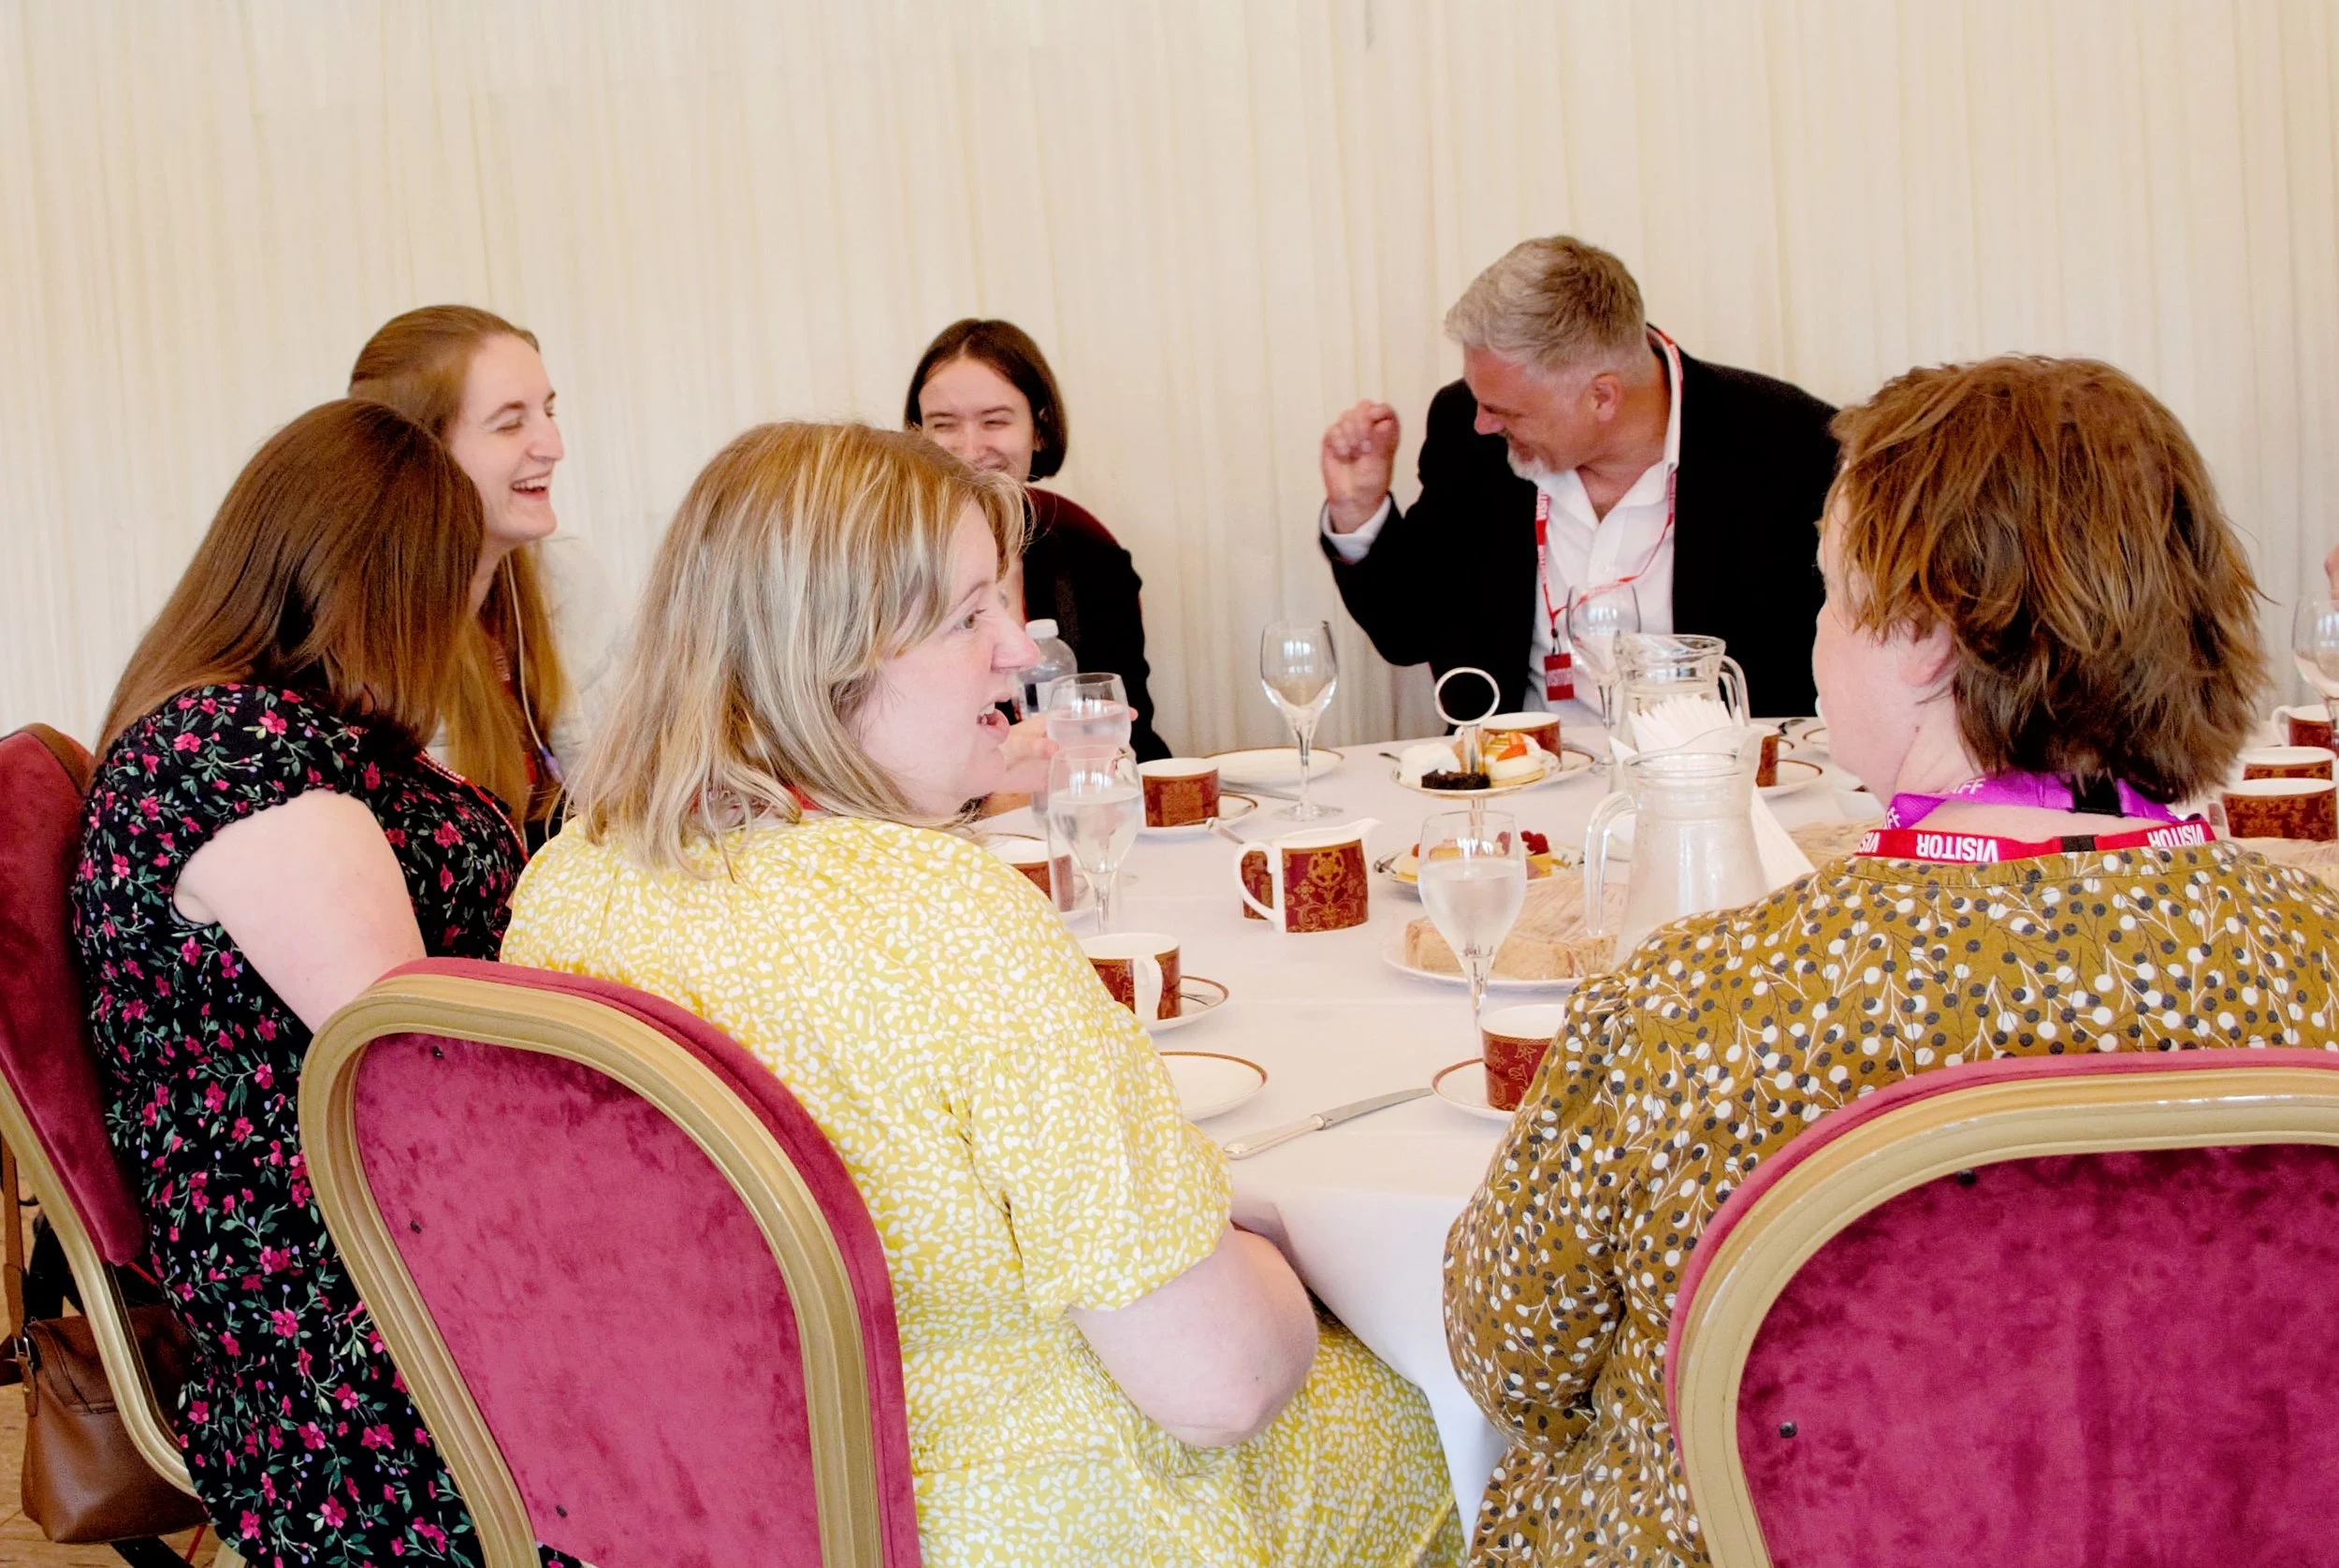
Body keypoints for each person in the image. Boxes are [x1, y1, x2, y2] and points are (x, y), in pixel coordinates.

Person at [503, 421, 1459, 1565]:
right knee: (1452, 1408)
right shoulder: (942, 914)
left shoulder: (570, 882)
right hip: (1007, 1521)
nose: (1020, 648)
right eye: (968, 617)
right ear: (830, 655)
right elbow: (1221, 1385)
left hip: (697, 1501)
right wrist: (1284, 1263)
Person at [1442, 354, 2339, 1565]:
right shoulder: (2316, 965)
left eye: (1827, 597)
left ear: (1923, 636)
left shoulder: (1689, 1007)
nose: (1817, 633)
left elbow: (1512, 1361)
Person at [72, 401, 571, 1566]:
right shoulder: (243, 759)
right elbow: (415, 1064)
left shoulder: (270, 731)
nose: (463, 612)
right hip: (345, 1315)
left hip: (368, 1249)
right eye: (452, 578)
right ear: (386, 584)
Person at [1319, 236, 1838, 719]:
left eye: (1509, 412)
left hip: (1722, 789)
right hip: (1521, 786)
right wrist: (1358, 510)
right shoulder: (1468, 429)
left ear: (1602, 397)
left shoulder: (1791, 445)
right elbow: (1410, 630)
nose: (1484, 424)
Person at [351, 304, 625, 845]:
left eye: (549, 412)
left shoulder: (567, 572)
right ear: (416, 454)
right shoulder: (358, 643)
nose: (554, 447)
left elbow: (631, 788)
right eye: (510, 423)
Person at [906, 317, 1170, 760]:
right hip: (939, 817)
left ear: (1040, 429)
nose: (969, 451)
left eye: (994, 421)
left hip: (1074, 797)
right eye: (943, 424)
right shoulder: (879, 564)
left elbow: (1129, 730)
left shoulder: (1092, 562)